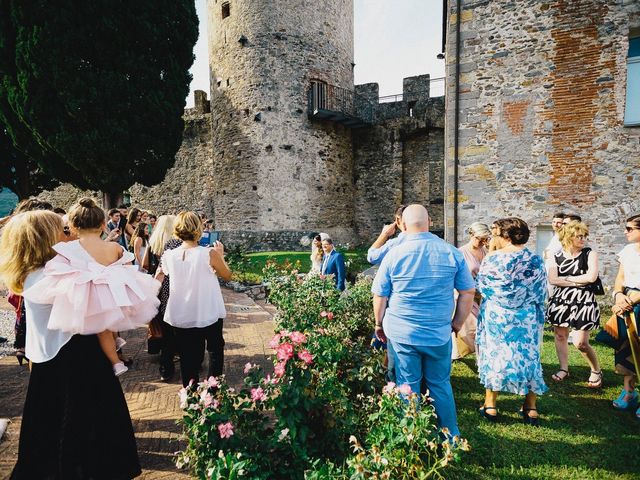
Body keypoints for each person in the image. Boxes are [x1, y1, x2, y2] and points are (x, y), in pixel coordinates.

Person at [0, 210, 141, 479]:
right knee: (80, 438)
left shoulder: (34, 273)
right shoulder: (54, 275)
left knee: (48, 436)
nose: (72, 235)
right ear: (46, 239)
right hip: (76, 363)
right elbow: (101, 302)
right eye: (64, 231)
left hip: (51, 363)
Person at [22, 198, 160, 376]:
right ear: (103, 224)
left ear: (72, 225)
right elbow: (126, 265)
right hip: (110, 293)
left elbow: (57, 269)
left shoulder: (68, 248)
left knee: (100, 329)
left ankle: (116, 362)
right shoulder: (113, 247)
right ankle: (116, 349)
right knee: (108, 326)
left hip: (86, 295)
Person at [372, 204, 475, 439]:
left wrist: (378, 324)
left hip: (403, 333)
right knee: (440, 384)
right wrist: (457, 324)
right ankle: (451, 438)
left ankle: (411, 436)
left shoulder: (394, 254)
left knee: (408, 385)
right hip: (438, 333)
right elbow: (467, 291)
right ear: (429, 221)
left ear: (403, 224)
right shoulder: (451, 252)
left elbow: (380, 296)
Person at [476, 218, 547, 426]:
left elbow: (483, 287)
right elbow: (541, 291)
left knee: (495, 354)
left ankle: (491, 405)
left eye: (496, 234)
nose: (493, 238)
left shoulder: (492, 259)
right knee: (529, 355)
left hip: (498, 316)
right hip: (525, 317)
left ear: (505, 236)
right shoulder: (535, 259)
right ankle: (531, 407)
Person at [158, 211, 232, 387]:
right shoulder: (209, 253)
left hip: (182, 311)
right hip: (208, 309)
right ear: (198, 229)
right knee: (214, 350)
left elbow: (162, 275)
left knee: (186, 356)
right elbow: (227, 275)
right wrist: (220, 255)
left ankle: (190, 396)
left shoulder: (169, 255)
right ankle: (213, 394)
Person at [546, 221, 602, 386]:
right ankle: (564, 368)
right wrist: (579, 281)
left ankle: (596, 370)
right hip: (560, 301)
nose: (583, 239)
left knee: (581, 343)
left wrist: (567, 279)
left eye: (584, 236)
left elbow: (591, 278)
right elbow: (552, 279)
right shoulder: (555, 255)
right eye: (579, 236)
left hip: (584, 301)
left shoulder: (589, 254)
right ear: (568, 237)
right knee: (560, 335)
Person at [610, 214, 640, 417]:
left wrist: (633, 300)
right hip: (627, 301)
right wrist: (619, 295)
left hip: (636, 301)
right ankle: (629, 392)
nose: (625, 232)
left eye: (629, 228)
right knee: (626, 348)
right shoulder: (628, 251)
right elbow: (620, 277)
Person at [453, 222, 491, 359]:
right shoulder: (460, 253)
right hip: (465, 295)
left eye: (485, 239)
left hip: (483, 296)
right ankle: (482, 357)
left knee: (484, 327)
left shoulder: (485, 251)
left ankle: (483, 357)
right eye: (479, 238)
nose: (482, 242)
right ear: (471, 235)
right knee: (473, 328)